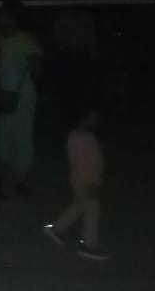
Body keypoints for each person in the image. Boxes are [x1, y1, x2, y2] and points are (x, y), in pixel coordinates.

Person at [43, 111, 109, 260]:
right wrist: (91, 181)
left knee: (81, 206)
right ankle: (88, 245)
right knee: (92, 208)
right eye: (92, 116)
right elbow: (83, 162)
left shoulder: (85, 136)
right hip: (86, 179)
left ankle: (58, 229)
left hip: (87, 179)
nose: (95, 120)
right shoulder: (80, 137)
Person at [0, 0, 43, 197]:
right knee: (4, 137)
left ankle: (18, 181)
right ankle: (9, 181)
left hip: (22, 96)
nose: (0, 18)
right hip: (4, 95)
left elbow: (37, 70)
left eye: (4, 14)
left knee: (21, 138)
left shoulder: (26, 41)